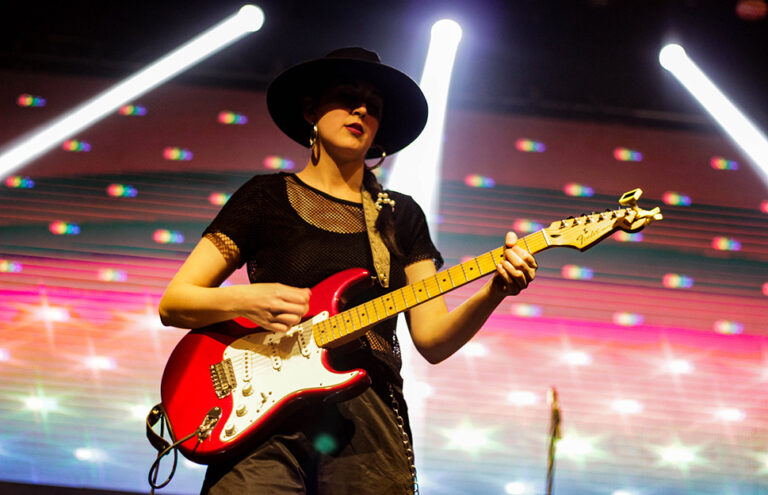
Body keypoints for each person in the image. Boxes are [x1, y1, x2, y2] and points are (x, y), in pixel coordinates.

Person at [158, 47, 537, 494]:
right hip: (260, 415)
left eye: (373, 107)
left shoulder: (400, 216)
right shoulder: (266, 196)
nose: (361, 110)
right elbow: (175, 302)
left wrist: (494, 291)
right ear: (309, 110)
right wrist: (248, 299)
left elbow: (433, 340)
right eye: (346, 97)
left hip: (367, 418)